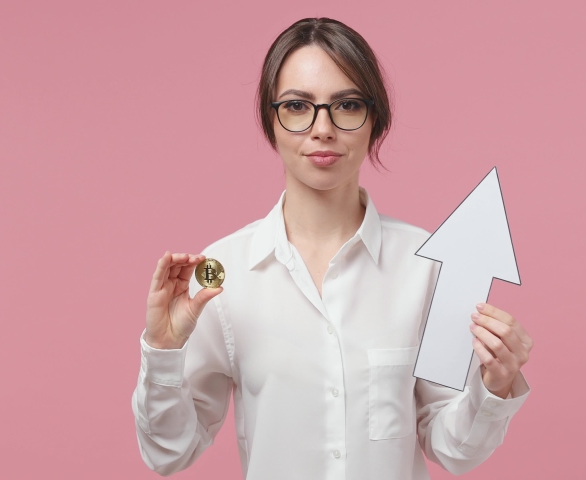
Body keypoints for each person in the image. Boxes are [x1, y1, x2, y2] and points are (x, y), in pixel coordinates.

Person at [132, 17, 533, 480]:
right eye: (298, 106)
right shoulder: (220, 273)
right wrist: (163, 350)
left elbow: (452, 448)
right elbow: (169, 453)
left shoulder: (428, 266)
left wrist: (495, 385)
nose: (322, 129)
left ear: (375, 120)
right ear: (271, 119)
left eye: (346, 105)